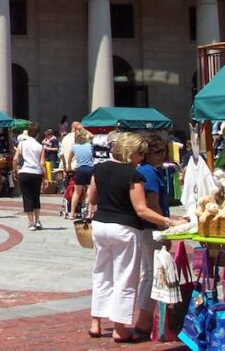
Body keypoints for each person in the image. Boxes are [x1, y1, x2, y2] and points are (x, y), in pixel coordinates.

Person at [87, 132, 185, 343]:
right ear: (130, 153)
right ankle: (119, 328)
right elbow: (142, 210)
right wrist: (171, 222)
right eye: (139, 154)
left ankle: (95, 322)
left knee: (101, 273)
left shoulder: (99, 168)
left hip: (100, 225)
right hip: (124, 228)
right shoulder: (133, 175)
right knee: (125, 277)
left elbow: (92, 197)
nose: (141, 158)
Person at [134, 134, 171, 339]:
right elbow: (153, 204)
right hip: (152, 229)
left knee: (148, 273)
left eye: (165, 151)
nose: (162, 156)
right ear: (148, 154)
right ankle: (144, 321)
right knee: (152, 274)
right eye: (158, 152)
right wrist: (165, 227)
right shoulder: (148, 173)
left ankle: (145, 319)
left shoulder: (146, 171)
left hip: (146, 229)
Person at [13, 122, 45, 231]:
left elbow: (15, 158)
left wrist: (15, 170)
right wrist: (45, 177)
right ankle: (37, 220)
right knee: (36, 196)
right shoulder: (40, 146)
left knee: (27, 197)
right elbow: (42, 163)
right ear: (37, 134)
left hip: (25, 171)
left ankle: (31, 222)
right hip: (36, 173)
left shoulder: (22, 144)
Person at [70, 128, 95, 218]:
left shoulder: (74, 146)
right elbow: (92, 136)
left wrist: (69, 166)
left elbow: (69, 158)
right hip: (90, 168)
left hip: (80, 169)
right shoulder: (89, 145)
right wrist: (83, 128)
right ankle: (89, 214)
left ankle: (72, 213)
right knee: (90, 191)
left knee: (77, 192)